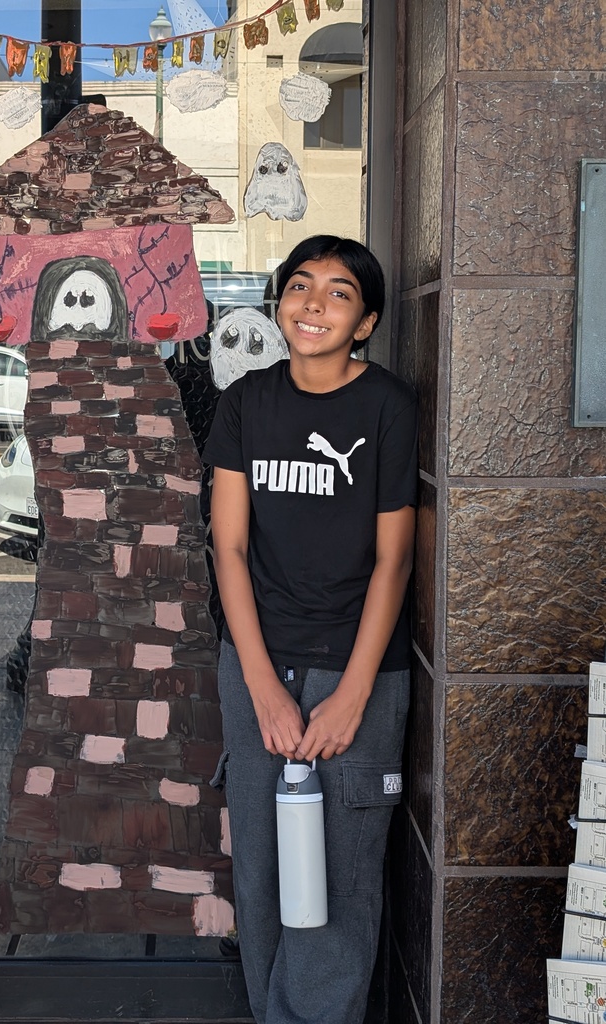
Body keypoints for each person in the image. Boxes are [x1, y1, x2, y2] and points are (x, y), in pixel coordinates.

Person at [203, 235, 418, 1024]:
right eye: (300, 286)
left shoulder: (387, 407)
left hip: (357, 667)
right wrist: (260, 686)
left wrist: (352, 695)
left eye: (338, 293)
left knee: (338, 880)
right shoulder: (246, 403)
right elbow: (227, 546)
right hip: (257, 661)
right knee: (264, 872)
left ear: (363, 323)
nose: (314, 304)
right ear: (279, 302)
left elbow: (393, 564)